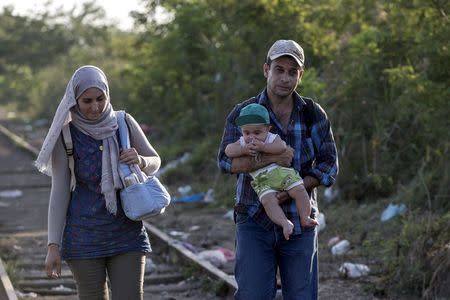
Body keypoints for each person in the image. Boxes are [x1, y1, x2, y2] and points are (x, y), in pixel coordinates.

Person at [218, 39, 338, 299]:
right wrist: (273, 160)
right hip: (253, 216)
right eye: (279, 70)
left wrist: (294, 188)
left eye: (292, 72)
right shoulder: (244, 114)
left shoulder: (312, 113)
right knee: (253, 294)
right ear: (266, 70)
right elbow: (226, 162)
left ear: (300, 75)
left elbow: (329, 164)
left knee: (302, 295)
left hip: (299, 220)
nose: (285, 78)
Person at [35, 65, 161, 300]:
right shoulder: (66, 135)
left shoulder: (123, 122)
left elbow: (155, 161)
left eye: (100, 99)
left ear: (107, 94)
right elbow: (60, 191)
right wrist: (53, 245)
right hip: (82, 236)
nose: (95, 107)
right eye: (87, 101)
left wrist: (141, 161)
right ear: (75, 100)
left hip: (127, 232)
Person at [224, 103, 318, 240]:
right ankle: (285, 223)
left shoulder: (271, 138)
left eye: (257, 132)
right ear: (242, 131)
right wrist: (242, 150)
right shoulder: (243, 142)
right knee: (268, 202)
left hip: (280, 173)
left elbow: (281, 148)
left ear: (268, 129)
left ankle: (305, 217)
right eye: (246, 132)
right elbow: (228, 150)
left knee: (299, 189)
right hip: (262, 180)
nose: (251, 137)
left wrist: (264, 147)